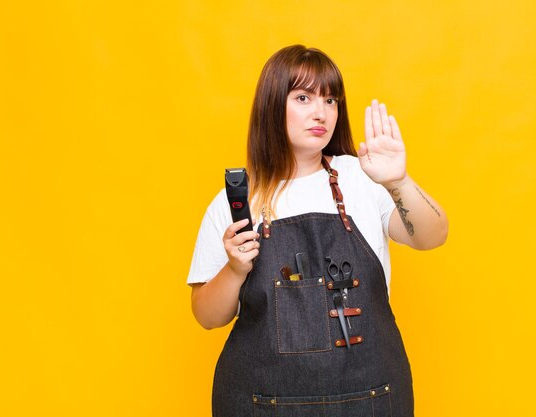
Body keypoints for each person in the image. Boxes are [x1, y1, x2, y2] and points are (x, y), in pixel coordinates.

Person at [187, 45, 448, 417]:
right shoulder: (236, 200)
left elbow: (433, 236)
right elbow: (207, 316)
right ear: (272, 104)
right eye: (304, 97)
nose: (320, 112)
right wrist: (234, 269)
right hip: (264, 404)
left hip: (369, 399)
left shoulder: (363, 177)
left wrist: (399, 181)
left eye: (330, 100)